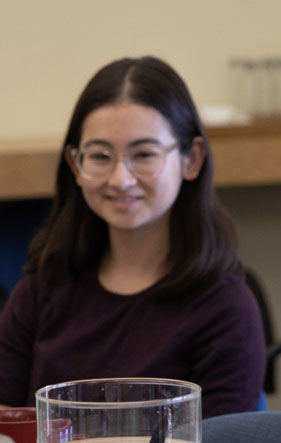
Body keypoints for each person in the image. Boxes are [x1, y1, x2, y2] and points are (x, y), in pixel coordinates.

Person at [0, 56, 266, 418]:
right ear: (76, 165)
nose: (120, 179)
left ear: (192, 159)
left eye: (143, 154)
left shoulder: (225, 308)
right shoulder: (42, 287)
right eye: (100, 155)